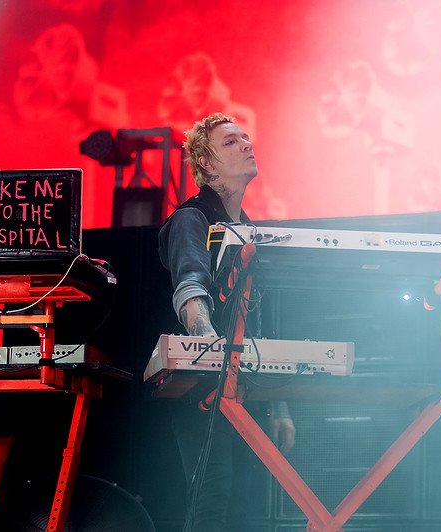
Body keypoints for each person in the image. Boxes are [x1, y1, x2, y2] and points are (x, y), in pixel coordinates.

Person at [158, 113, 295, 531]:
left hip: (247, 387)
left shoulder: (250, 230)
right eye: (232, 141)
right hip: (205, 388)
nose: (246, 144)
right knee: (212, 503)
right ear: (207, 164)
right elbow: (190, 288)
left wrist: (280, 405)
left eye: (246, 137)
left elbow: (260, 323)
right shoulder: (191, 218)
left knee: (245, 510)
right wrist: (211, 353)